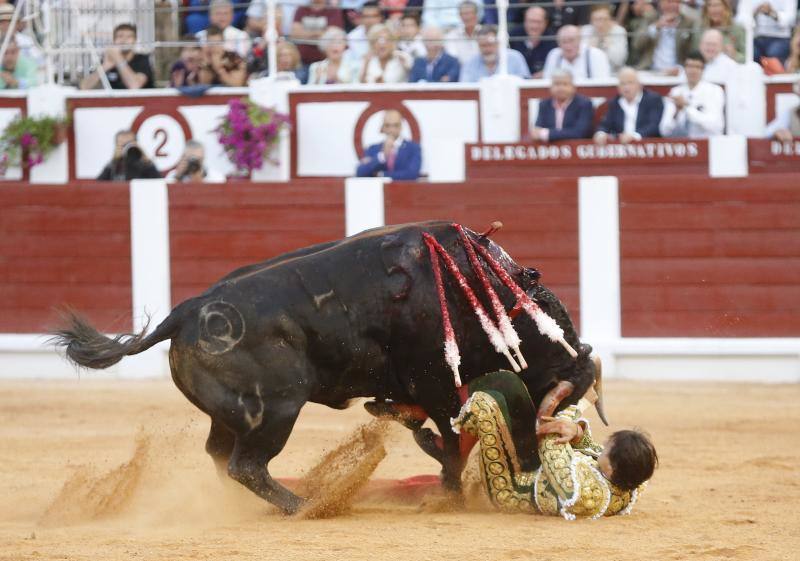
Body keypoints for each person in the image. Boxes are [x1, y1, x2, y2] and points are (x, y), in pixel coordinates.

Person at [451, 370, 657, 519]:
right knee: (509, 383)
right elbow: (589, 448)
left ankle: (445, 432)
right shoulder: (632, 477)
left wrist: (574, 406)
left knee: (486, 404)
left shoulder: (586, 494)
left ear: (611, 468)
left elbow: (553, 447)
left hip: (510, 487)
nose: (602, 446)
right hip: (533, 465)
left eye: (607, 447)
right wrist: (576, 431)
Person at [661, 52, 725, 138]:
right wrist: (676, 113)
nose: (693, 71)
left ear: (703, 70)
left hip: (707, 145)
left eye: (697, 67)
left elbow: (716, 126)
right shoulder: (676, 92)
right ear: (684, 69)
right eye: (689, 66)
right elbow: (664, 131)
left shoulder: (715, 91)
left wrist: (687, 108)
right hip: (683, 146)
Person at [594, 67, 665, 144]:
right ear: (618, 87)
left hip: (647, 146)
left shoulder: (653, 100)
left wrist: (634, 136)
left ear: (639, 85)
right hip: (621, 149)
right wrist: (600, 134)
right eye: (623, 84)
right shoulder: (615, 103)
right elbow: (605, 125)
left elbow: (653, 126)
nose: (626, 87)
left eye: (630, 83)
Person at [631, 0, 698, 75]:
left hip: (678, 72)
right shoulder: (650, 18)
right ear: (660, 3)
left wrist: (680, 68)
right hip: (650, 70)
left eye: (677, 2)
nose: (674, 5)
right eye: (670, 2)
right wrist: (656, 27)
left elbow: (693, 50)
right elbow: (636, 44)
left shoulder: (688, 22)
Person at [79, 23, 154, 90]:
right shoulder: (107, 61)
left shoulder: (142, 59)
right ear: (114, 40)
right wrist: (105, 66)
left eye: (129, 37)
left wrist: (118, 58)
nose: (124, 40)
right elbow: (84, 87)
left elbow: (134, 85)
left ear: (135, 40)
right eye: (120, 36)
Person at [356, 109, 422, 180]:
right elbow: (360, 172)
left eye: (396, 125)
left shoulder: (413, 148)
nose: (392, 129)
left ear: (401, 126)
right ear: (383, 127)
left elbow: (411, 174)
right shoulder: (373, 149)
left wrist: (382, 174)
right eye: (387, 125)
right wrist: (382, 156)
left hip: (405, 190)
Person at [531, 70, 594, 141]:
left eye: (565, 84)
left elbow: (579, 132)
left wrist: (547, 134)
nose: (561, 88)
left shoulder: (584, 104)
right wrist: (540, 133)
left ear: (573, 87)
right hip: (551, 150)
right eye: (557, 84)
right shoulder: (544, 104)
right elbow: (537, 131)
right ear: (550, 87)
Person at [460, 24, 531, 81]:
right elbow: (465, 89)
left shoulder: (515, 58)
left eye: (490, 44)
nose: (487, 49)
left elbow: (525, 84)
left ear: (498, 43)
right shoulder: (470, 63)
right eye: (483, 45)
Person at [542, 25, 611, 79]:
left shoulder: (596, 55)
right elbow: (547, 83)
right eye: (564, 42)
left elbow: (602, 85)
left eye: (571, 40)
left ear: (580, 40)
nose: (568, 46)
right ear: (558, 43)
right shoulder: (554, 55)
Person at [291, 0, 345, 65]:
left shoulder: (333, 10)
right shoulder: (302, 9)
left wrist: (305, 33)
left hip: (325, 62)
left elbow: (334, 34)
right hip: (302, 60)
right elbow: (295, 33)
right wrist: (321, 32)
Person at [510, 7, 557, 77]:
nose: (534, 26)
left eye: (538, 22)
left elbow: (556, 66)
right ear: (525, 21)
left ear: (546, 23)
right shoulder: (514, 35)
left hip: (542, 83)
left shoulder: (553, 39)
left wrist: (545, 73)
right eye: (531, 21)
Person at [97, 130, 161, 181]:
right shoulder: (114, 166)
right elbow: (100, 184)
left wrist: (145, 159)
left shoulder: (143, 164)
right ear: (117, 146)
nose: (126, 147)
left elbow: (158, 182)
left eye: (129, 143)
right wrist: (114, 160)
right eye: (123, 145)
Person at [581, 4, 628, 71]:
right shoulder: (586, 30)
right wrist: (591, 47)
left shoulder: (619, 31)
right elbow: (581, 59)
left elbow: (619, 61)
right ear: (591, 21)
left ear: (611, 20)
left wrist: (608, 45)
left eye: (605, 19)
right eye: (596, 19)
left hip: (613, 72)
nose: (601, 24)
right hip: (590, 71)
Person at [445, 1, 481, 66]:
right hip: (459, 72)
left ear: (476, 15)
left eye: (470, 13)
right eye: (464, 14)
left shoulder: (484, 33)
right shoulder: (451, 36)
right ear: (460, 16)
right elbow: (453, 59)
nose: (467, 17)